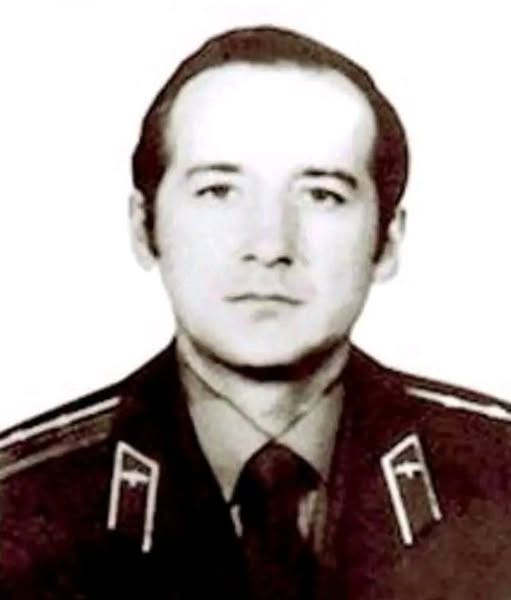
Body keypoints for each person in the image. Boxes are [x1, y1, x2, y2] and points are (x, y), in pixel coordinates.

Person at [1, 25, 511, 600]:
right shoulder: (18, 506)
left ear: (388, 241)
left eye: (322, 195)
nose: (269, 245)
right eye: (218, 192)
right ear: (144, 228)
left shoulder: (498, 478)